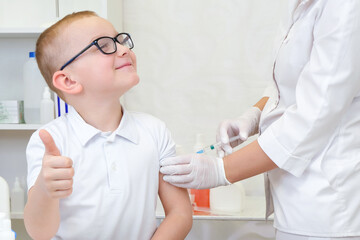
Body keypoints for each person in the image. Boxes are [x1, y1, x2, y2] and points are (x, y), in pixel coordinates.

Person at [160, 0, 360, 239]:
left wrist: (221, 171)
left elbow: (315, 114)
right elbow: (286, 87)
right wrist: (253, 115)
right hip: (294, 203)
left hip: (327, 202)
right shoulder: (298, 5)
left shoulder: (346, 6)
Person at [24, 11, 192, 240]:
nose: (124, 49)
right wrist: (45, 189)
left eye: (120, 40)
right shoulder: (50, 140)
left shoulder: (154, 131)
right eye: (103, 45)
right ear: (68, 81)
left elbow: (180, 213)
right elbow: (39, 233)